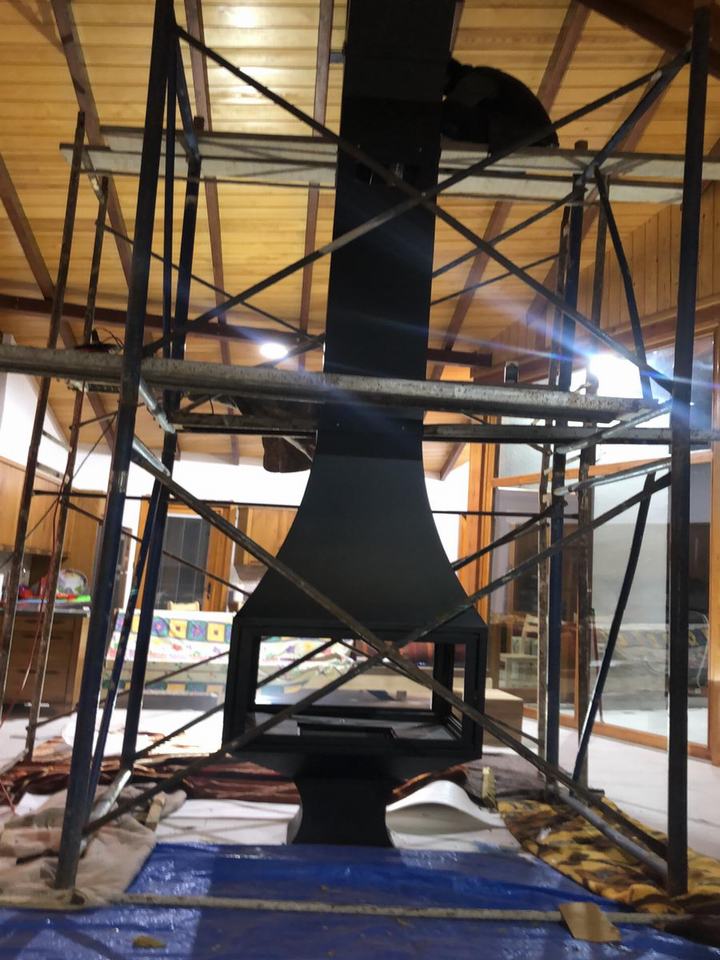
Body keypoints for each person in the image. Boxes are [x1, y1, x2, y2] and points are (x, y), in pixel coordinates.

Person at [443, 58, 558, 152]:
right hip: (527, 138)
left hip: (529, 139)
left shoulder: (475, 78)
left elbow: (451, 108)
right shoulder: (482, 75)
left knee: (446, 118)